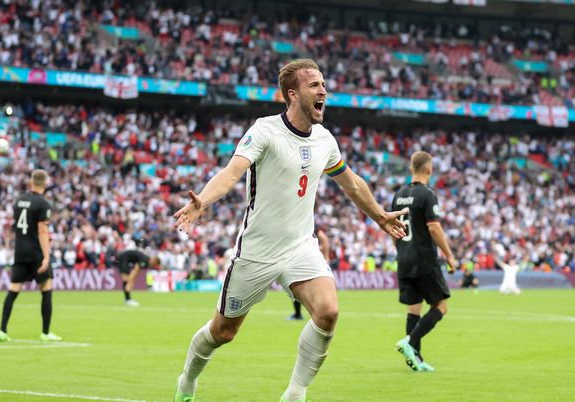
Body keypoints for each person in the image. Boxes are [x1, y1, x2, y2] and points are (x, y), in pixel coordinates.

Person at [172, 58, 407, 402]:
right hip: (257, 250)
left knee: (328, 312)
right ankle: (187, 381)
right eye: (315, 85)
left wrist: (379, 216)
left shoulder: (325, 139)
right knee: (222, 332)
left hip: (300, 247)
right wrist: (201, 202)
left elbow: (352, 184)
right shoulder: (264, 131)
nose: (323, 90)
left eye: (323, 84)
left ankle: (295, 394)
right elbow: (232, 173)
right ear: (292, 95)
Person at [391, 151, 457, 372]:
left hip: (404, 258)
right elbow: (434, 227)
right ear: (429, 170)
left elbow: (393, 229)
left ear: (411, 168)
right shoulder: (427, 194)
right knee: (441, 306)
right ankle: (409, 342)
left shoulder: (398, 195)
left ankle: (416, 360)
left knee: (413, 309)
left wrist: (400, 250)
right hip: (424, 259)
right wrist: (449, 254)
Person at [0, 169, 61, 342]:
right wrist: (46, 257)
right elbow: (42, 231)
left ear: (31, 181)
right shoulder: (43, 204)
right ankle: (45, 333)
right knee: (46, 290)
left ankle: (2, 330)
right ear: (45, 183)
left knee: (13, 290)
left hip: (20, 252)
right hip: (36, 252)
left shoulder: (19, 201)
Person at [288, 227, 330, 321]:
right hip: (301, 260)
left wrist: (323, 254)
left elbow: (325, 240)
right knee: (297, 288)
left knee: (301, 287)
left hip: (309, 261)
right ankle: (299, 314)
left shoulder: (313, 225)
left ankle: (310, 313)